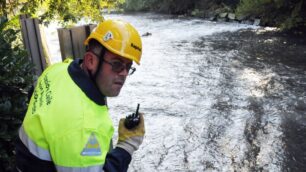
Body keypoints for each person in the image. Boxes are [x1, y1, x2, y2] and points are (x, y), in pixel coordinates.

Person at [15, 19, 145, 172]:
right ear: (90, 61)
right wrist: (126, 146)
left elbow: (33, 95)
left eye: (128, 67)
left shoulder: (57, 70)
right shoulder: (83, 126)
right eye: (117, 64)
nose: (123, 73)